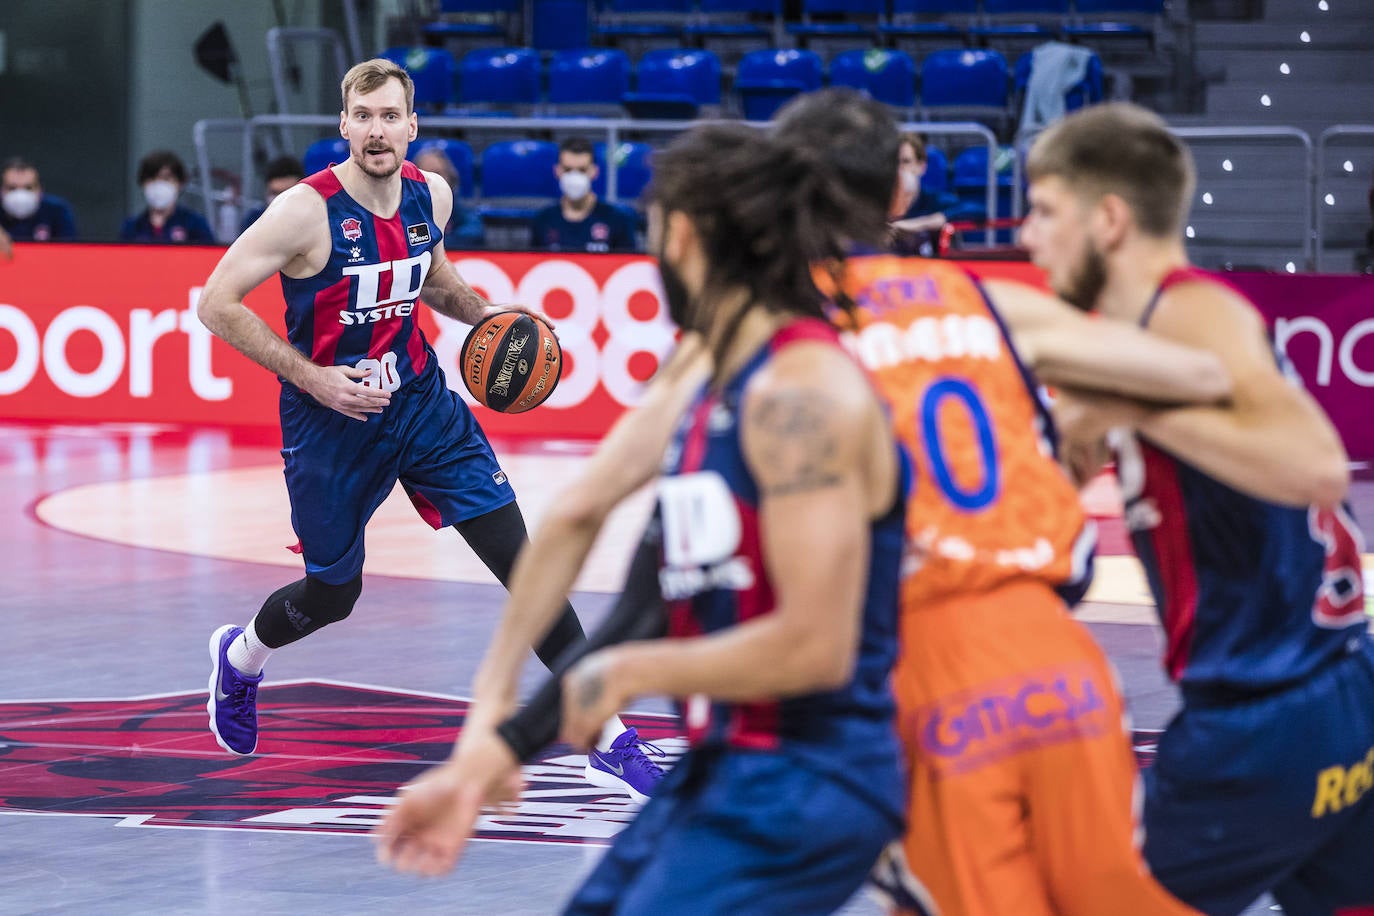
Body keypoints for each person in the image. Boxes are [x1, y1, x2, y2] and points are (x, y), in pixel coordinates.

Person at [375, 119, 911, 914]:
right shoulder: (701, 368)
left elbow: (817, 644)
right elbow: (585, 524)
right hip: (726, 764)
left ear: (684, 235)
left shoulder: (802, 396)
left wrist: (629, 673)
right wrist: (492, 734)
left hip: (811, 776)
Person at [770, 89, 1222, 916]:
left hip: (926, 670)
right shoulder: (984, 298)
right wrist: (1075, 437)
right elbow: (1196, 376)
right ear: (898, 196)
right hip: (1064, 658)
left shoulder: (784, 329)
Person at [195, 58, 660, 801]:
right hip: (329, 422)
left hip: (422, 406)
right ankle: (242, 657)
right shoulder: (303, 213)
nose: (377, 130)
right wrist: (314, 378)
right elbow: (215, 302)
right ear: (343, 125)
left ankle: (608, 736)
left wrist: (494, 321)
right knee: (331, 595)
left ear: (412, 126)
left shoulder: (429, 195)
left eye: (390, 116)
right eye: (363, 116)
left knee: (524, 565)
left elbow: (435, 279)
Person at [1021, 102, 1374, 916]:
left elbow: (1320, 468)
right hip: (1334, 691)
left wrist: (1134, 409)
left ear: (1108, 219)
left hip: (1261, 724)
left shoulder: (1186, 313)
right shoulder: (1134, 333)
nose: (1030, 238)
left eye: (1044, 213)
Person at [528, 136, 637, 253]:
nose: (574, 176)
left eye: (582, 170)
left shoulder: (618, 220)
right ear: (557, 171)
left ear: (594, 171)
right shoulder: (543, 220)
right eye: (568, 170)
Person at [120, 150, 215, 244]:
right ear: (143, 183)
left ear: (180, 183)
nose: (159, 184)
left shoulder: (195, 224)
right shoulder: (132, 227)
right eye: (152, 179)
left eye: (166, 178)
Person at [888, 134, 957, 258]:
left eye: (905, 162)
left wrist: (917, 224)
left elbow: (977, 209)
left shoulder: (933, 200)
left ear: (921, 166)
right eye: (893, 162)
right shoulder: (874, 202)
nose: (899, 169)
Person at [410, 142, 485, 251]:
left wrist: (441, 240)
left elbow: (475, 229)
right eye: (425, 174)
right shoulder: (407, 207)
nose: (432, 179)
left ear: (449, 177)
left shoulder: (454, 204)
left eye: (437, 173)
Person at [1, 158, 79, 242]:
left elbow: (70, 248)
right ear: (1, 190)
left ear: (39, 189)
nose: (20, 194)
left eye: (28, 188)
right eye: (12, 188)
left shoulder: (57, 210)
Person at [237, 155, 305, 235]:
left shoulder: (315, 220)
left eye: (287, 193)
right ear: (266, 191)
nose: (281, 199)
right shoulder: (254, 220)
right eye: (275, 193)